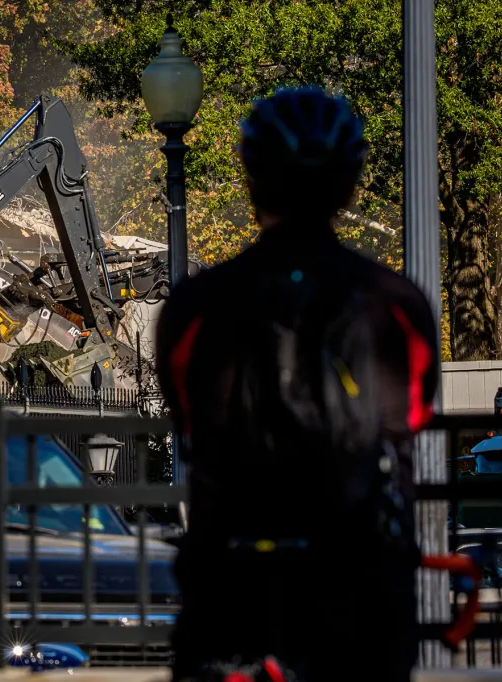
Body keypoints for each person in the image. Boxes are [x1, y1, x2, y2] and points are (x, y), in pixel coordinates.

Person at [156, 87, 439, 682]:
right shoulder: (396, 306)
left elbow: (189, 423)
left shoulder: (196, 307)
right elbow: (408, 421)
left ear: (253, 182)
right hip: (356, 587)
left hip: (233, 585)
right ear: (350, 185)